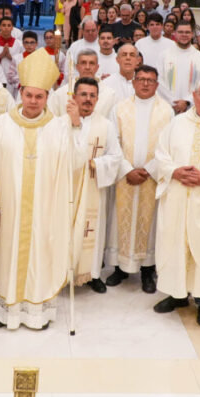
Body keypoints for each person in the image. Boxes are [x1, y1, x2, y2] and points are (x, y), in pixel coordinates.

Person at [0, 49, 75, 330]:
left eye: (39, 96)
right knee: (7, 257)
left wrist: (75, 124)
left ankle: (37, 312)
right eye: (29, 95)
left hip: (44, 210)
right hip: (9, 210)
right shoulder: (3, 124)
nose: (33, 101)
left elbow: (71, 167)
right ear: (20, 93)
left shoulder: (59, 128)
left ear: (47, 97)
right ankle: (6, 311)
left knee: (40, 256)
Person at [152, 80, 200, 326]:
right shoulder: (177, 123)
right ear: (193, 96)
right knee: (175, 245)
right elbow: (161, 154)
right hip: (176, 196)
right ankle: (177, 295)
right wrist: (174, 171)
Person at [105, 64, 174, 291]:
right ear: (133, 82)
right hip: (124, 177)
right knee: (120, 220)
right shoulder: (119, 108)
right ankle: (120, 268)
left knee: (149, 223)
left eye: (150, 80)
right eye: (141, 79)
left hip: (151, 178)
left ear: (156, 84)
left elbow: (168, 146)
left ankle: (147, 270)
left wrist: (148, 170)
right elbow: (113, 141)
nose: (145, 83)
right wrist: (127, 170)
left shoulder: (167, 111)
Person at [67, 77, 123, 293]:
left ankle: (92, 274)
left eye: (92, 95)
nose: (88, 99)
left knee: (92, 230)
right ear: (74, 97)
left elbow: (116, 157)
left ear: (98, 99)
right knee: (66, 228)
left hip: (93, 186)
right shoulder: (63, 122)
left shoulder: (105, 125)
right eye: (83, 94)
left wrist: (96, 164)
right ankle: (63, 273)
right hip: (67, 188)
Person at [48, 50, 117, 118]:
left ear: (97, 67)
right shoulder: (60, 94)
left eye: (91, 63)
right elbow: (52, 120)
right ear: (77, 67)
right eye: (83, 63)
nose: (87, 67)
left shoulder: (109, 95)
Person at [158, 22, 200, 115]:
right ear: (174, 33)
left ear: (192, 34)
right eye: (180, 32)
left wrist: (187, 101)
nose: (184, 35)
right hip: (167, 107)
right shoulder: (164, 55)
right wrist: (173, 102)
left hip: (191, 108)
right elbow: (159, 81)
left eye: (187, 32)